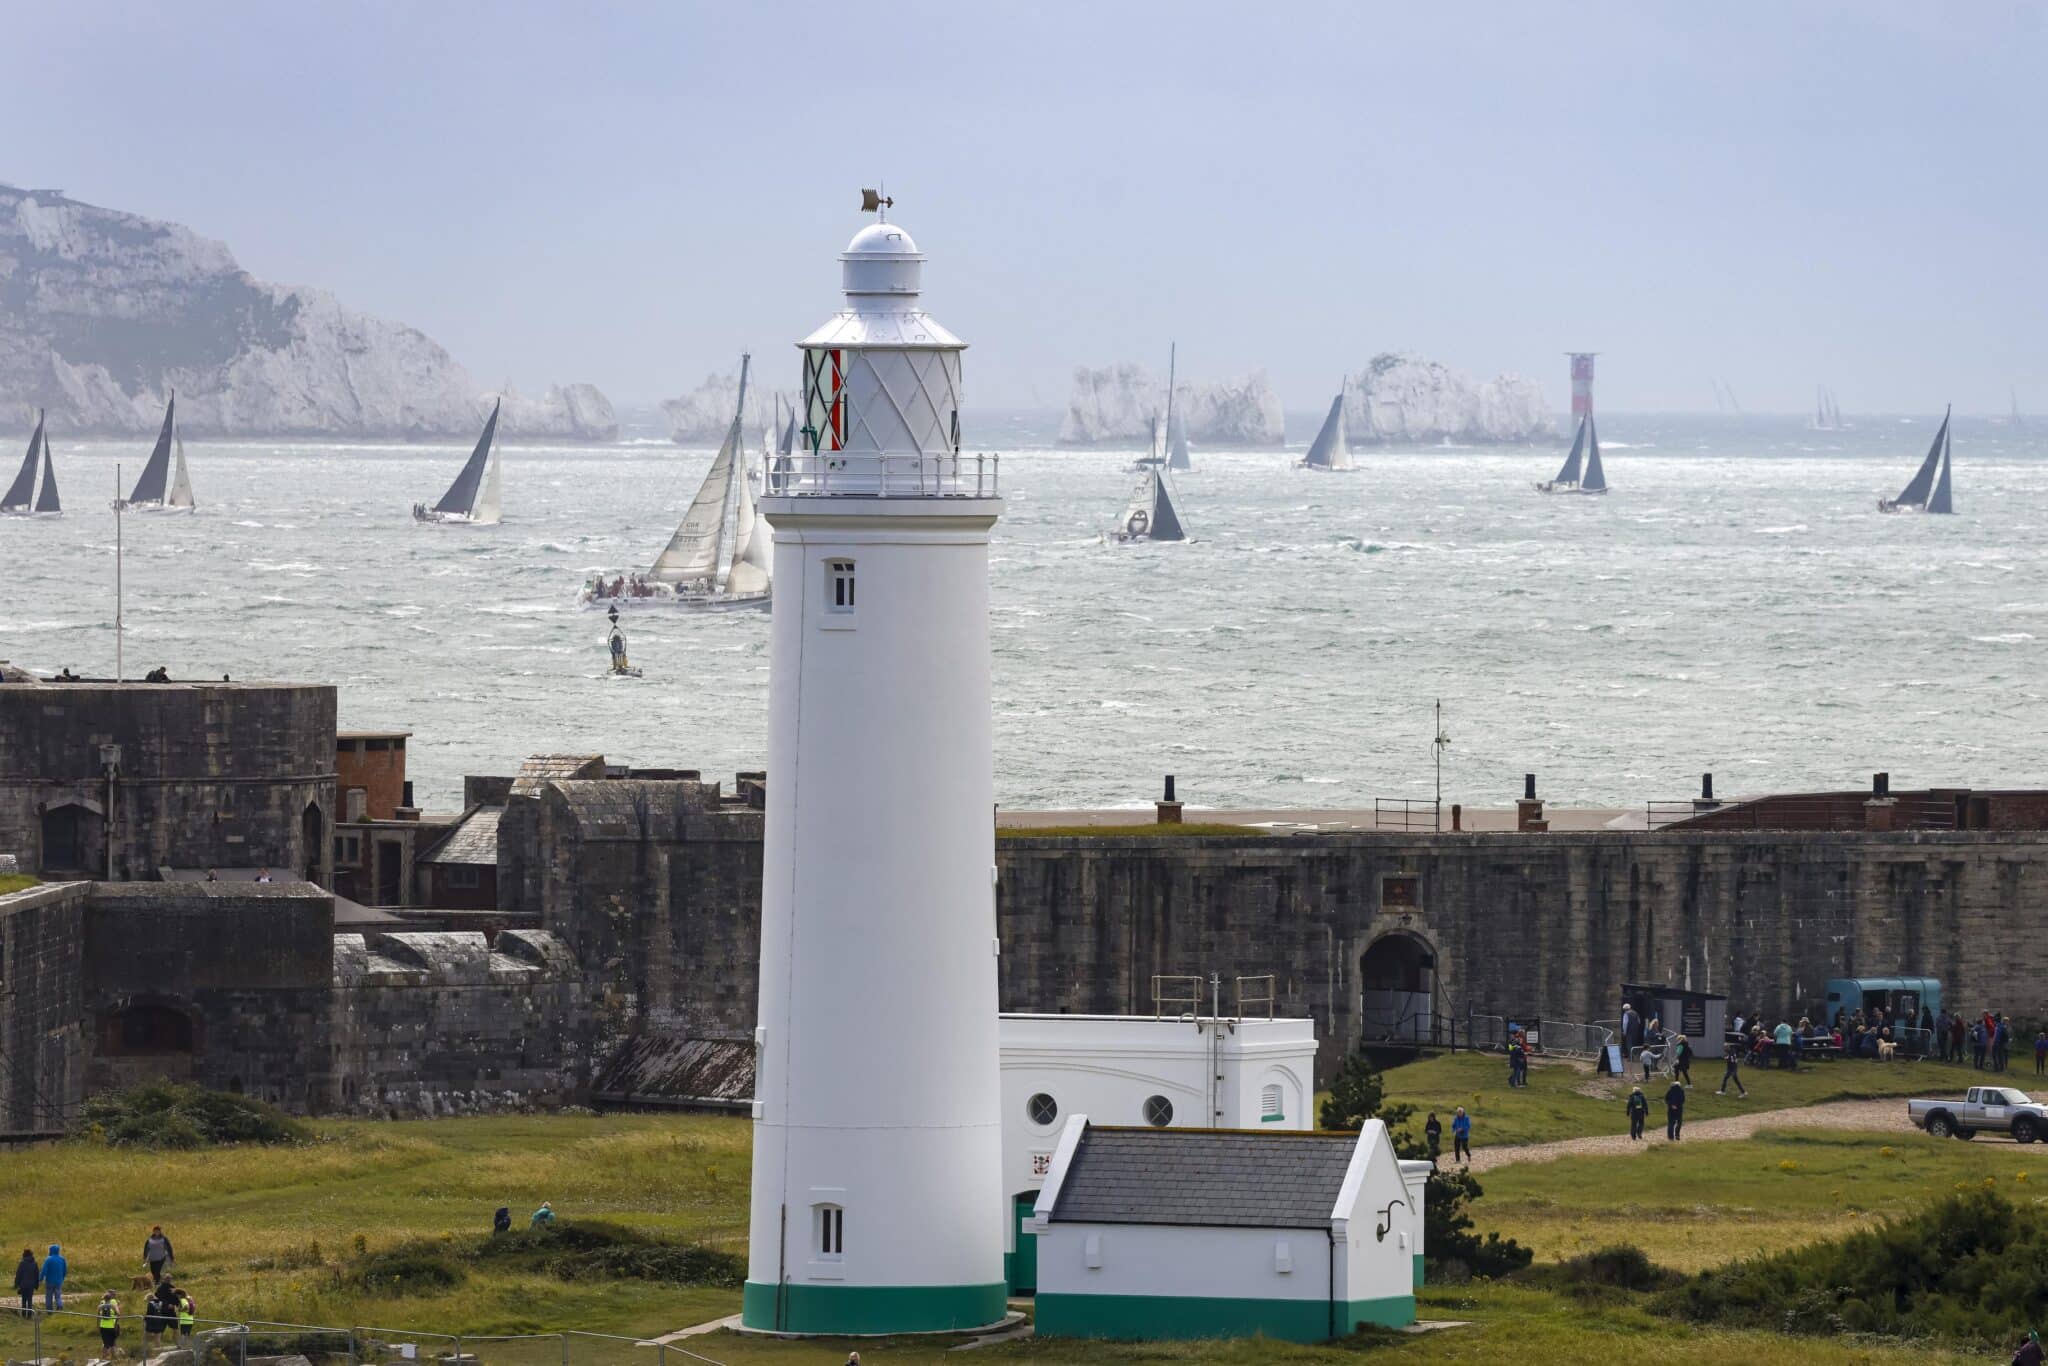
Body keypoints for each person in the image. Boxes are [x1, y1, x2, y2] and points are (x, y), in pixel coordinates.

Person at [144, 1280, 175, 1348]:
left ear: (149, 1299)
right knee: (157, 1337)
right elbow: (165, 1309)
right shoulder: (161, 1303)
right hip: (160, 1320)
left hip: (151, 1321)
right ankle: (158, 1348)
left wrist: (145, 1319)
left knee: (146, 1336)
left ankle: (145, 1349)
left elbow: (149, 1313)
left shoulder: (150, 1303)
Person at [39, 1245, 64, 1311]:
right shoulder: (62, 1259)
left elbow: (44, 1270)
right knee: (58, 1295)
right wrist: (62, 1278)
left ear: (51, 1251)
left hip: (49, 1281)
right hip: (59, 1281)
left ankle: (49, 1309)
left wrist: (40, 1279)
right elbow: (64, 1270)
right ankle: (59, 1305)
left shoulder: (48, 1259)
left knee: (49, 1296)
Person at [12, 1248, 35, 1316]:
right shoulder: (34, 1263)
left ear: (24, 1255)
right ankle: (30, 1315)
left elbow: (18, 1274)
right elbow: (36, 1274)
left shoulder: (22, 1263)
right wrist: (36, 1285)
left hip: (23, 1285)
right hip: (31, 1285)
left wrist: (16, 1284)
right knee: (30, 1300)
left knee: (24, 1300)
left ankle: (24, 1314)